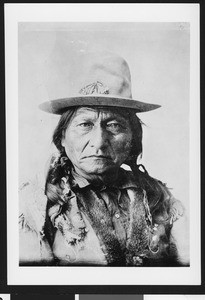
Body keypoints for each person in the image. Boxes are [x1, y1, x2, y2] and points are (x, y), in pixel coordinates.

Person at [19, 52, 189, 266]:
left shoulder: (159, 198)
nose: (99, 142)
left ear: (133, 137)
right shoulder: (35, 203)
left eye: (114, 125)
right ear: (62, 137)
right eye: (85, 124)